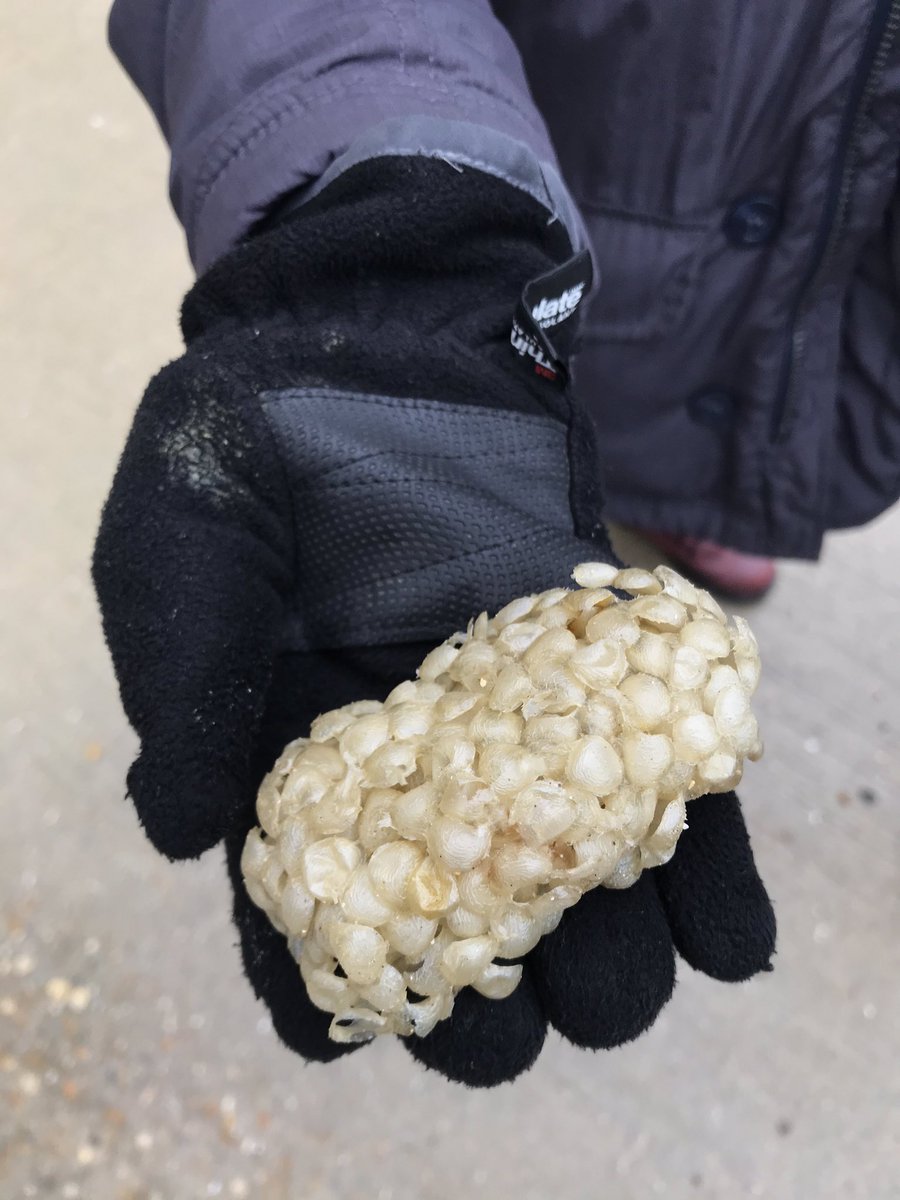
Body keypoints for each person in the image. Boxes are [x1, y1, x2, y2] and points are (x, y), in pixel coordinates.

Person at [91, 1, 891, 1086]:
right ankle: (668, 487)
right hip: (537, 227)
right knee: (562, 444)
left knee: (663, 469)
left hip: (825, 342)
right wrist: (404, 227)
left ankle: (704, 503)